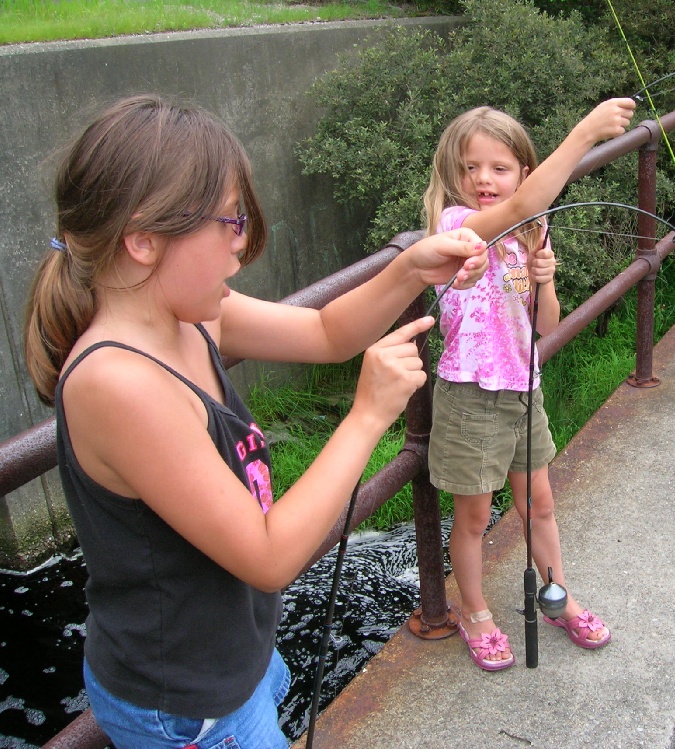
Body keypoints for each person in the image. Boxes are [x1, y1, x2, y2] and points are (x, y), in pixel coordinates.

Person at [23, 94, 487, 748]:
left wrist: (408, 266)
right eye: (228, 225)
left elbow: (327, 332)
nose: (238, 255)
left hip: (233, 654)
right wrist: (366, 415)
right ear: (143, 238)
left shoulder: (190, 312)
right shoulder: (117, 383)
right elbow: (267, 556)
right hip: (188, 704)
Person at [422, 98, 635, 670]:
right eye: (470, 168)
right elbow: (522, 204)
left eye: (499, 168)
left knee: (539, 504)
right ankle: (475, 613)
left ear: (521, 170)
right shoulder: (457, 227)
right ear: (455, 176)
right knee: (472, 517)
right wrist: (585, 131)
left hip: (523, 387)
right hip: (470, 394)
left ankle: (557, 597)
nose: (483, 180)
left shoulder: (526, 237)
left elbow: (545, 323)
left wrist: (545, 276)